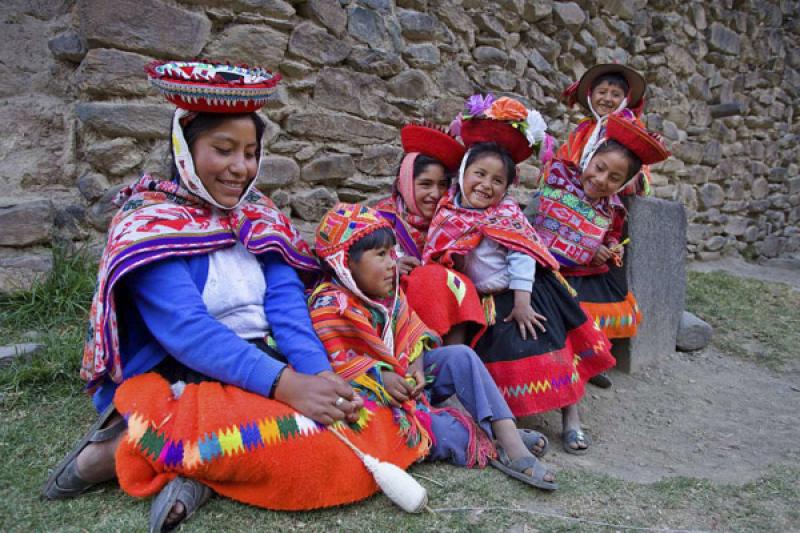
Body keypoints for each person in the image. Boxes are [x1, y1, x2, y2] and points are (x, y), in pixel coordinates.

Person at [42, 61, 421, 530]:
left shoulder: (259, 216)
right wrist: (288, 387)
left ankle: (194, 467)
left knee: (358, 415)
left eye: (250, 152)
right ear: (184, 147)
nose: (240, 168)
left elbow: (286, 309)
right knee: (294, 435)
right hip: (187, 373)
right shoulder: (147, 224)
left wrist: (320, 378)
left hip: (268, 360)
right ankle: (122, 450)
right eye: (223, 150)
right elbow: (188, 332)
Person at [310, 203, 557, 490]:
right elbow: (337, 363)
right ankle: (493, 443)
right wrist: (381, 377)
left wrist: (415, 366)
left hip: (407, 382)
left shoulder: (389, 296)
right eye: (380, 255)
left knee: (460, 356)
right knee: (423, 428)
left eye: (392, 253)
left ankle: (507, 434)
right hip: (376, 398)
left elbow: (412, 336)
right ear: (345, 262)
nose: (392, 263)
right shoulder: (330, 306)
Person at [423, 95, 616, 455]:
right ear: (463, 173)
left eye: (498, 180)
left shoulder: (507, 215)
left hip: (527, 293)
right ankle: (504, 420)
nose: (486, 185)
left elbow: (523, 256)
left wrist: (524, 301)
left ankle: (571, 419)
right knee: (503, 360)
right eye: (479, 174)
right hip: (485, 303)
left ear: (507, 188)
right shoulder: (449, 214)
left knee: (556, 350)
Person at [530, 113, 671, 356]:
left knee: (598, 307)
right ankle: (556, 353)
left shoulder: (613, 208)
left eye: (614, 178)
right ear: (589, 157)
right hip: (544, 266)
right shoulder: (559, 177)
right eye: (599, 168)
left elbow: (611, 234)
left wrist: (611, 246)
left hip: (583, 272)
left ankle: (589, 355)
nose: (601, 180)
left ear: (623, 184)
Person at [375, 123, 486, 345]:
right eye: (425, 184)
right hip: (394, 312)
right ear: (404, 183)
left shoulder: (455, 221)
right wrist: (392, 265)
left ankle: (455, 354)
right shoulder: (379, 221)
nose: (435, 194)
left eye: (442, 185)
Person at [553, 63, 652, 197]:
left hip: (610, 193)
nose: (607, 99)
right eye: (602, 92)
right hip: (573, 189)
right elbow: (566, 155)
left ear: (625, 100)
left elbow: (635, 167)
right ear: (590, 95)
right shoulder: (583, 128)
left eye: (615, 95)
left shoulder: (631, 126)